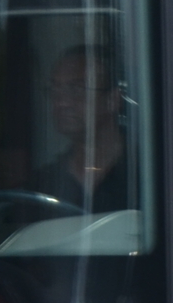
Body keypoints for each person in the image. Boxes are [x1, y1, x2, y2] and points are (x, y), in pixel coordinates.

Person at [38, 44, 134, 214]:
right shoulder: (43, 184)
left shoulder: (144, 177)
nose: (61, 102)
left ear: (113, 99)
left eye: (76, 89)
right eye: (55, 90)